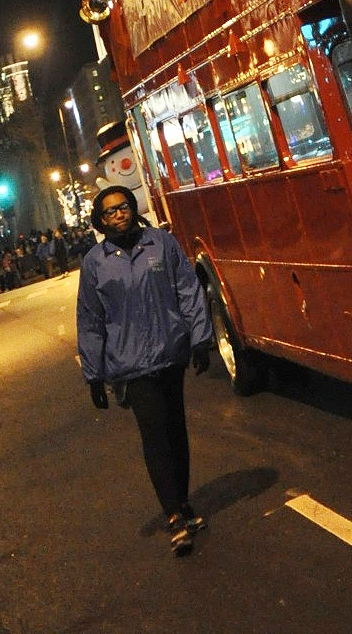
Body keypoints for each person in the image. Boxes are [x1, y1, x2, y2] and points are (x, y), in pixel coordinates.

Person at [76, 186, 214, 556]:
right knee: (154, 436)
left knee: (176, 430)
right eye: (109, 212)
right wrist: (94, 376)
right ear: (100, 220)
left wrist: (200, 338)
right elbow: (90, 321)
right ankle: (173, 516)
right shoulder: (95, 263)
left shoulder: (162, 244)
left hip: (170, 354)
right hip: (131, 365)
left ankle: (183, 503)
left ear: (133, 209)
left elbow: (187, 289)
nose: (118, 215)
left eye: (123, 207)